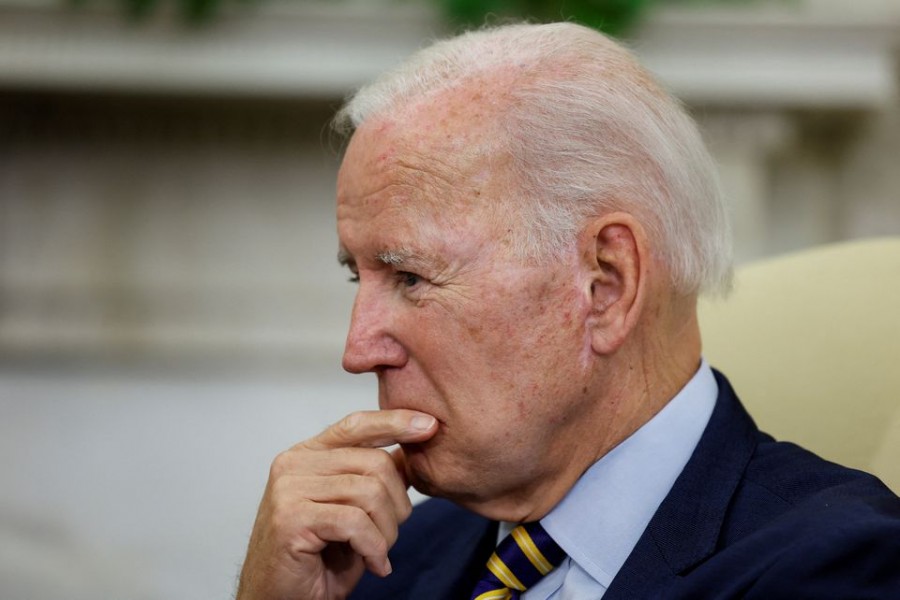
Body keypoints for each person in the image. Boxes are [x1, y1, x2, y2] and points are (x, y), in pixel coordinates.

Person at [236, 22, 900, 600]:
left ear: (605, 285)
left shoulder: (837, 566)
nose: (358, 349)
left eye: (411, 277)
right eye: (360, 275)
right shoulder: (379, 559)